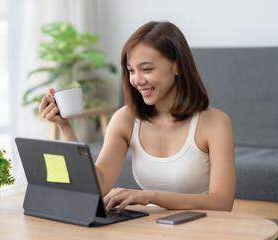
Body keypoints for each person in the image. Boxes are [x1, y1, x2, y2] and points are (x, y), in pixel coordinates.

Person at [39, 21, 236, 212]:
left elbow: (222, 202)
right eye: (131, 70)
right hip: (151, 229)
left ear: (178, 67)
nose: (137, 80)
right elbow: (97, 186)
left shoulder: (215, 123)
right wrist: (65, 127)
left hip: (203, 229)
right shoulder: (125, 119)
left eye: (147, 69)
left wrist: (150, 196)